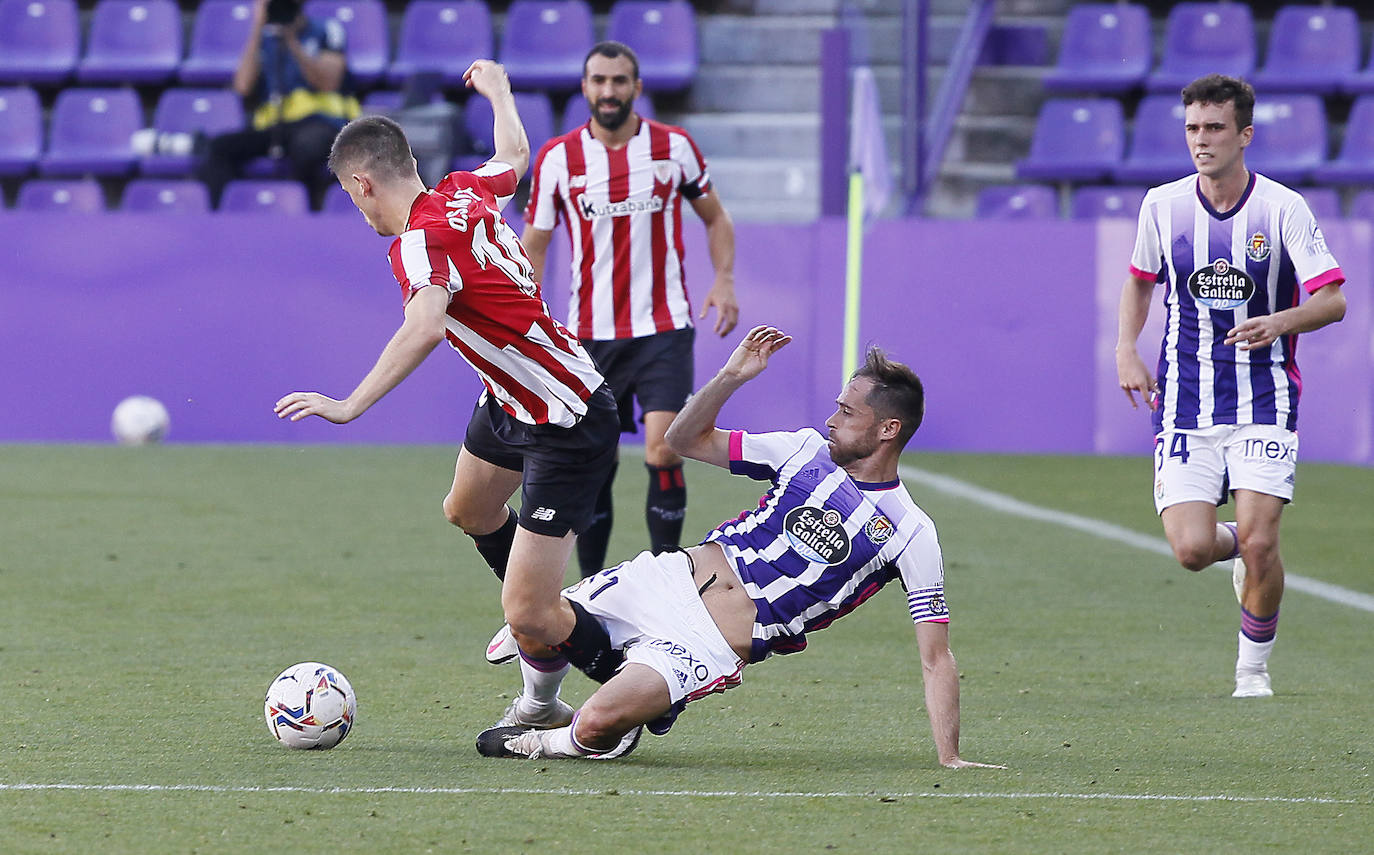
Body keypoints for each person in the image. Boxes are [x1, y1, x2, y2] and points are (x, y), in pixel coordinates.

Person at [476, 326, 1004, 769]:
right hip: (665, 580)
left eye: (846, 413)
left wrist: (949, 756)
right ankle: (537, 706)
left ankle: (555, 741)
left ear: (889, 428)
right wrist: (730, 377)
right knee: (531, 618)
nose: (831, 420)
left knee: (595, 725)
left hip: (707, 642)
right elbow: (681, 441)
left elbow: (936, 657)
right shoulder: (803, 450)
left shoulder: (911, 531)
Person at [274, 60, 629, 704]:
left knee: (529, 612)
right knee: (466, 509)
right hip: (508, 400)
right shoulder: (464, 189)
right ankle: (539, 626)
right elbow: (514, 153)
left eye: (354, 199)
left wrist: (349, 404)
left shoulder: (416, 243)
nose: (360, 213)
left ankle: (635, 685)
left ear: (363, 184)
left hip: (565, 416)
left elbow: (425, 327)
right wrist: (499, 90)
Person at [1116, 74, 1346, 699]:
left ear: (1244, 134)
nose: (1201, 140)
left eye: (1214, 127)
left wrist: (1281, 320)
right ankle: (1235, 551)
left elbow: (1333, 300)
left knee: (1263, 539)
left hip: (1264, 400)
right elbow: (1140, 280)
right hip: (1185, 402)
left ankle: (1252, 671)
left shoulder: (1283, 208)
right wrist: (1125, 350)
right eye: (1192, 128)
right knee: (1193, 551)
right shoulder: (1162, 205)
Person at [522, 40, 739, 579]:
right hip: (589, 337)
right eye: (599, 81)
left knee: (664, 450)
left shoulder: (674, 148)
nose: (609, 91)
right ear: (584, 88)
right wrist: (524, 311)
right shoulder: (557, 159)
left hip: (664, 328)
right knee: (593, 465)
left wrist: (725, 280)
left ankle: (666, 582)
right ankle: (594, 586)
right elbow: (536, 241)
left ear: (637, 88)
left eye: (619, 81)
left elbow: (715, 217)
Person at [196, 0, 359, 209]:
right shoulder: (265, 38)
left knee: (307, 147)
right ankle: (223, 217)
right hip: (277, 126)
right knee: (220, 148)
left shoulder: (326, 29)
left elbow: (329, 82)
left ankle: (304, 213)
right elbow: (242, 87)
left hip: (319, 121)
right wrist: (257, 27)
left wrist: (292, 42)